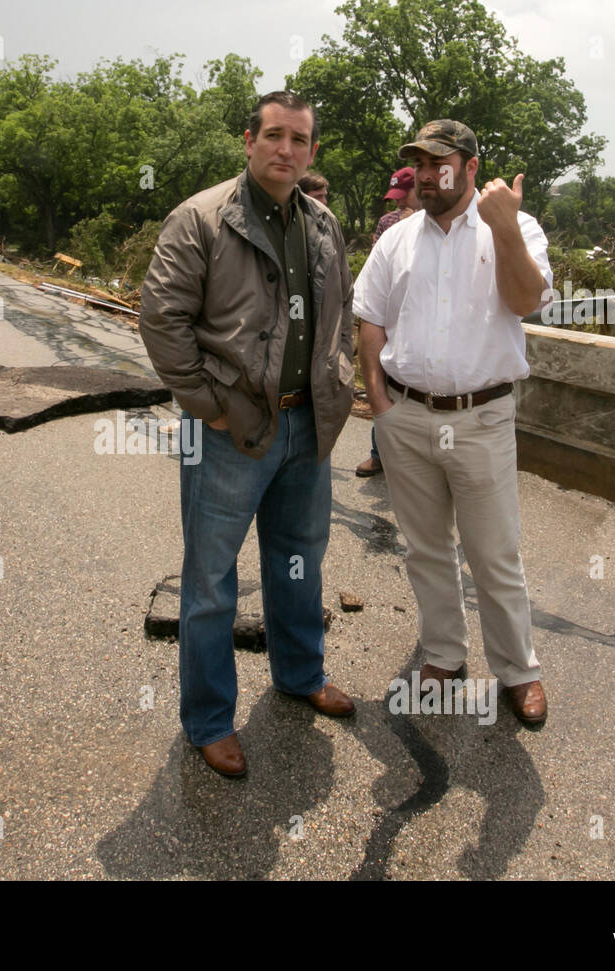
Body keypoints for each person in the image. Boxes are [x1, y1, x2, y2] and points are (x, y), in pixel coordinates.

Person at [139, 92, 358, 778]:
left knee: (299, 559)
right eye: (273, 135)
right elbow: (161, 320)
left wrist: (337, 381)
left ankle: (299, 672)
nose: (285, 149)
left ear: (312, 151)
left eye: (299, 139)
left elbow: (341, 316)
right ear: (248, 140)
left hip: (306, 425)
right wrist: (209, 408)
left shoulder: (321, 224)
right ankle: (208, 719)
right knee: (210, 580)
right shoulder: (201, 219)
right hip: (229, 430)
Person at [353, 120, 551, 726]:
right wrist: (380, 405)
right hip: (407, 418)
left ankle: (519, 671)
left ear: (469, 165)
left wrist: (505, 227)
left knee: (494, 554)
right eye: (418, 162)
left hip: (480, 418)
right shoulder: (398, 238)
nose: (425, 174)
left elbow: (526, 301)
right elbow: (369, 318)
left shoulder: (515, 228)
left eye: (440, 162)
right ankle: (443, 653)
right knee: (426, 548)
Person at [357, 166, 420, 478]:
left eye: (403, 195)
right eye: (393, 197)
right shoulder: (388, 222)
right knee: (382, 386)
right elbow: (376, 268)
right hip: (391, 317)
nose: (398, 203)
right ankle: (378, 453)